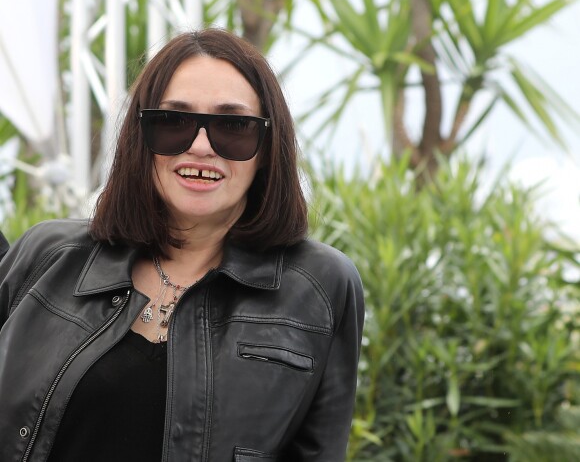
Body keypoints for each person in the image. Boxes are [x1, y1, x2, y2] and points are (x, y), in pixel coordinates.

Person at [0, 28, 364, 462]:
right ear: (141, 137)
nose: (201, 146)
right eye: (173, 122)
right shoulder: (48, 256)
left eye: (233, 126)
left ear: (267, 147)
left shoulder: (321, 286)